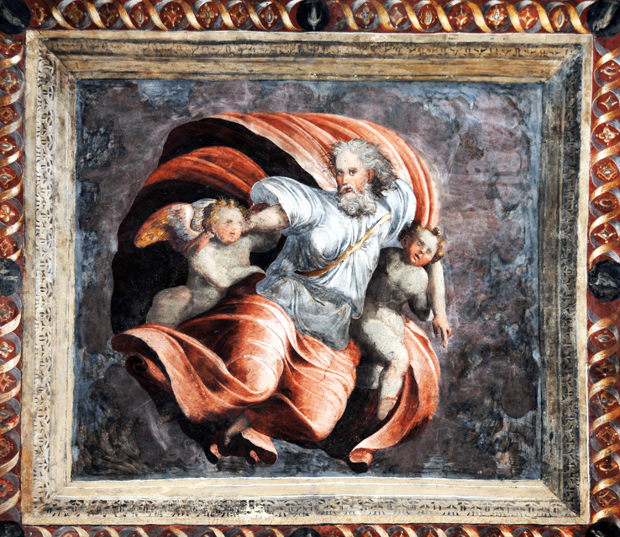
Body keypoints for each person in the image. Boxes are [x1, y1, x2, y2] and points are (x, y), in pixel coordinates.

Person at [112, 139, 439, 468]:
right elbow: (281, 215)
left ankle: (248, 428)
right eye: (339, 173)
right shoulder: (317, 204)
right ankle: (174, 384)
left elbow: (433, 244)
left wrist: (438, 300)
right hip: (280, 307)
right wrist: (245, 225)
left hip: (331, 331)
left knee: (317, 422)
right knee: (253, 381)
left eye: (351, 172)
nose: (344, 181)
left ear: (369, 175)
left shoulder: (389, 215)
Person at [351, 220, 452, 420]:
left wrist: (434, 315)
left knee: (376, 374)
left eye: (429, 251)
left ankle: (369, 417)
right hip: (369, 314)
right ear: (406, 240)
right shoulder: (388, 255)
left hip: (392, 323)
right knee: (399, 359)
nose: (422, 252)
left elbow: (420, 310)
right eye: (420, 243)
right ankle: (384, 416)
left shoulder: (421, 278)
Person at [142, 199, 279, 328]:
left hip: (232, 304)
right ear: (213, 225)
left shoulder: (244, 242)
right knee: (177, 297)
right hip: (198, 309)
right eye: (227, 222)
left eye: (239, 223)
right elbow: (221, 282)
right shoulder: (201, 249)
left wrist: (265, 216)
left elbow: (270, 240)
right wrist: (253, 270)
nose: (234, 228)